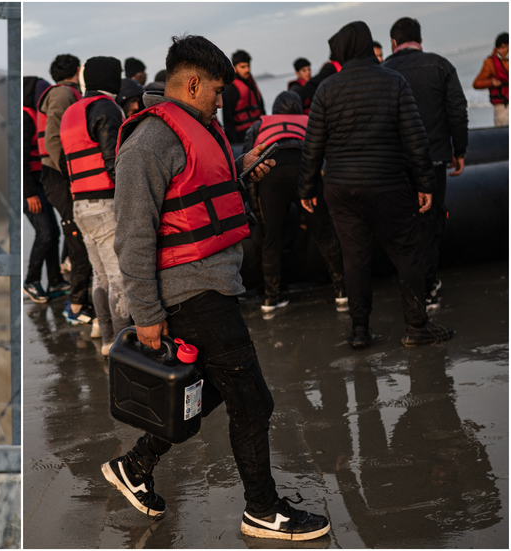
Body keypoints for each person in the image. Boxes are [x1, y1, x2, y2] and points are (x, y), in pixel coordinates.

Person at [105, 34, 331, 541]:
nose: (220, 101)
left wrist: (244, 170)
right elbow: (133, 237)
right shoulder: (148, 142)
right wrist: (145, 316)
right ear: (190, 83)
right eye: (216, 92)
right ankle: (262, 509)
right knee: (253, 401)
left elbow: (199, 192)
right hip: (191, 293)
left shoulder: (194, 130)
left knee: (203, 394)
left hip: (214, 283)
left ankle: (135, 468)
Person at [298, 21, 454, 348]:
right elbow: (415, 137)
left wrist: (307, 190)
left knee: (354, 258)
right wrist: (425, 182)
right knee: (408, 253)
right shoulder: (394, 81)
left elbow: (312, 146)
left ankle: (359, 331)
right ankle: (416, 326)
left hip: (341, 190)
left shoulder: (327, 88)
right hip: (388, 184)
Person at [382, 17, 469, 311]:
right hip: (434, 158)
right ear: (420, 40)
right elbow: (457, 108)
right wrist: (460, 149)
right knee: (430, 221)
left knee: (403, 225)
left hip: (397, 163)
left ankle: (411, 288)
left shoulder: (385, 71)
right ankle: (429, 286)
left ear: (393, 43)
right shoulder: (441, 65)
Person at [243, 91, 346, 314]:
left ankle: (271, 298)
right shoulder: (309, 122)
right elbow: (325, 161)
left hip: (271, 172)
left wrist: (258, 213)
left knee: (271, 238)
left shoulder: (258, 126)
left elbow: (248, 170)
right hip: (303, 170)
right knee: (324, 233)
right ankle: (342, 291)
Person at [59, 56, 128, 356]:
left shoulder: (71, 112)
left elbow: (64, 162)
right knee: (119, 278)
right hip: (104, 202)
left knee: (99, 276)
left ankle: (107, 339)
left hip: (80, 204)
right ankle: (124, 345)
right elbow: (114, 159)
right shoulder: (106, 108)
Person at [38, 54, 95, 324]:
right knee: (77, 238)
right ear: (77, 70)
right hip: (59, 175)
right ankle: (75, 305)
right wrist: (72, 172)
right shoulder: (62, 94)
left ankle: (80, 300)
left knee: (80, 237)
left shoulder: (67, 93)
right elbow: (52, 139)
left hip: (61, 174)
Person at [23, 76, 68, 303]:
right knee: (45, 233)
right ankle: (30, 281)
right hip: (28, 186)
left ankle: (55, 280)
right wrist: (28, 192)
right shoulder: (24, 117)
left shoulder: (35, 115)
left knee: (54, 232)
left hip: (39, 182)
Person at [222, 49, 264, 143]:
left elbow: (261, 108)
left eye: (248, 66)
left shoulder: (251, 83)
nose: (247, 70)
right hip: (242, 138)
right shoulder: (230, 88)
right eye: (243, 67)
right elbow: (228, 120)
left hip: (259, 133)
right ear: (234, 68)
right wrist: (235, 145)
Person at [472, 32, 509, 127]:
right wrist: (491, 82)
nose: (502, 51)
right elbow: (476, 84)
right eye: (499, 48)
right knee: (503, 137)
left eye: (505, 47)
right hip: (502, 108)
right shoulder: (490, 63)